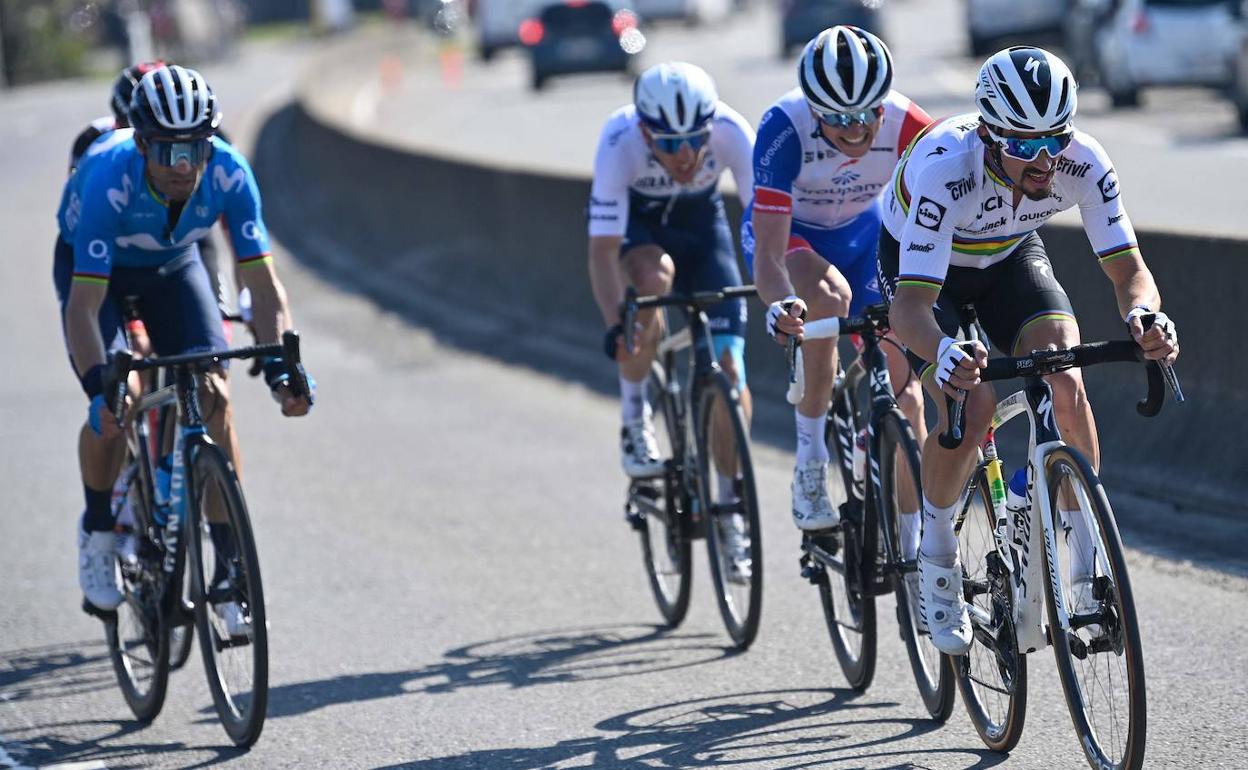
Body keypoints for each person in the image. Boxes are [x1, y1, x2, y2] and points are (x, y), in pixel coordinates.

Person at [879, 47, 1179, 654]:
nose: (1044, 161)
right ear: (988, 136)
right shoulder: (946, 169)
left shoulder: (1085, 162)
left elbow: (1130, 275)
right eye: (1023, 145)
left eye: (1054, 140)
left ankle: (1086, 574)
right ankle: (934, 556)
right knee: (974, 403)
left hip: (1011, 256)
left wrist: (1146, 316)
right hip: (923, 273)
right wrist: (942, 355)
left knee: (1065, 377)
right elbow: (909, 310)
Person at [56, 65, 314, 634]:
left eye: (195, 147)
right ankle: (99, 528)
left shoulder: (229, 173)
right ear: (141, 142)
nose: (183, 167)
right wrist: (98, 383)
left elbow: (263, 286)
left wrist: (279, 367)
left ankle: (228, 570)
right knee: (117, 400)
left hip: (172, 265)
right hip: (96, 275)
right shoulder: (108, 178)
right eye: (168, 150)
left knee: (215, 395)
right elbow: (82, 308)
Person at [748, 25, 932, 538]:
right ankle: (809, 463)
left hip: (863, 236)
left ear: (884, 104)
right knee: (828, 298)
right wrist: (782, 301)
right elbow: (767, 252)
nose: (854, 130)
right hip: (795, 240)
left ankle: (919, 549)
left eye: (866, 115)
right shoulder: (783, 127)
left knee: (908, 397)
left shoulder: (908, 124)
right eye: (837, 118)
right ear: (813, 110)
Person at [587, 61, 756, 573]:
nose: (685, 156)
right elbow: (602, 252)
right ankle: (635, 414)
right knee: (652, 283)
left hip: (704, 231)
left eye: (694, 141)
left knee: (730, 371)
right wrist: (620, 323)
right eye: (669, 143)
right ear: (644, 131)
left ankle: (730, 510)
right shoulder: (619, 141)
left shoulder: (731, 132)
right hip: (641, 232)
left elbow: (762, 227)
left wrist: (780, 294)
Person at [69, 60, 244, 323]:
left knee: (211, 323)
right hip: (120, 240)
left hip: (183, 229)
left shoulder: (213, 140)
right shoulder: (93, 142)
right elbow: (83, 224)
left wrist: (246, 297)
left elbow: (235, 226)